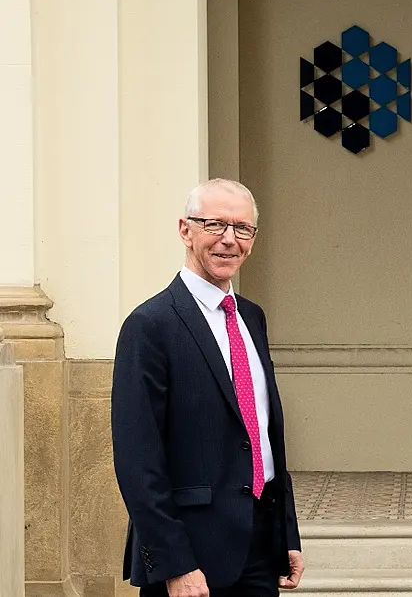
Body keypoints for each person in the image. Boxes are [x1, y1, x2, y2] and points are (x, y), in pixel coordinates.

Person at [111, 179, 305, 596]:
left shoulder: (252, 318)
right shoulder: (150, 325)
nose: (229, 240)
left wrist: (285, 533)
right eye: (215, 225)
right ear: (185, 229)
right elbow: (137, 461)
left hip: (258, 546)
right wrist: (174, 562)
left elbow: (265, 436)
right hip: (190, 556)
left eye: (243, 229)